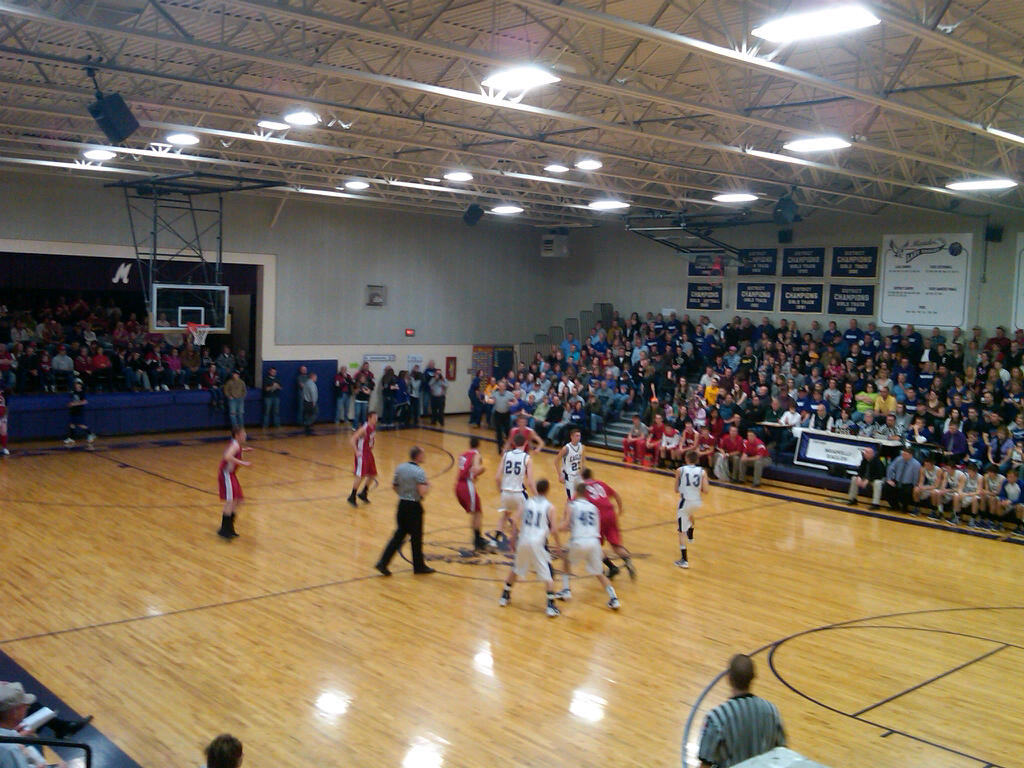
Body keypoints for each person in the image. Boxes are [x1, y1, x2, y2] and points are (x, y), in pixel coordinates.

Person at [697, 654, 786, 768]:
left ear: (728, 678)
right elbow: (783, 753)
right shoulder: (771, 711)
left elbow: (705, 764)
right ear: (753, 677)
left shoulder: (716, 718)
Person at [499, 478, 560, 616]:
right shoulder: (550, 507)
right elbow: (554, 530)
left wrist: (513, 538)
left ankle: (504, 596)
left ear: (537, 489)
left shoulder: (527, 503)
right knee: (548, 575)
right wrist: (558, 545)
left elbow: (513, 520)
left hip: (524, 540)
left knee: (515, 568)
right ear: (547, 490)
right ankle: (550, 606)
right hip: (537, 542)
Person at [557, 483, 620, 610]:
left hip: (579, 540)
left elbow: (566, 525)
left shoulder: (572, 505)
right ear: (586, 494)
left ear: (576, 493)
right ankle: (614, 598)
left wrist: (555, 528)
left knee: (565, 559)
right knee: (599, 573)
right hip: (594, 542)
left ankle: (566, 590)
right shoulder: (594, 508)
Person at [375, 446, 434, 576]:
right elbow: (422, 491)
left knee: (399, 535)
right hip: (414, 506)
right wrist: (428, 486)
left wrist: (403, 494)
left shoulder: (400, 468)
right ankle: (418, 566)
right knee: (416, 538)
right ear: (418, 456)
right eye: (423, 455)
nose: (424, 457)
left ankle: (383, 562)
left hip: (402, 505)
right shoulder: (419, 472)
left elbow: (394, 486)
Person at [579, 467, 636, 582]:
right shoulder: (600, 483)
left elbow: (573, 504)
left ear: (582, 477)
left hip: (597, 517)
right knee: (615, 545)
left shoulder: (582, 488)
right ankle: (628, 562)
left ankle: (612, 567)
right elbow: (616, 495)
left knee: (594, 547)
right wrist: (620, 509)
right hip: (611, 514)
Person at [492, 433, 534, 549]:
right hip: (518, 493)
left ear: (514, 443)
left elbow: (496, 477)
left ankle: (494, 540)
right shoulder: (527, 458)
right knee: (528, 515)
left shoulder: (505, 455)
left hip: (505, 492)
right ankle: (521, 541)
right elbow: (530, 482)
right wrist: (536, 495)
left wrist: (500, 491)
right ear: (525, 444)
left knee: (505, 515)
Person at [217, 426, 251, 539]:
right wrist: (242, 463)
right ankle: (224, 530)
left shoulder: (236, 445)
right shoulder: (235, 445)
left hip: (231, 475)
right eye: (243, 434)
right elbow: (227, 456)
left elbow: (233, 451)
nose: (245, 436)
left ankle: (229, 527)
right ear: (237, 435)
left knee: (239, 500)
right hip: (226, 475)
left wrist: (244, 450)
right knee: (231, 501)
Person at [676, 449, 708, 569]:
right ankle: (691, 530)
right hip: (697, 502)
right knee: (689, 513)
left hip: (685, 502)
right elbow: (706, 490)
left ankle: (684, 560)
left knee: (681, 531)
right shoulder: (703, 472)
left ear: (686, 459)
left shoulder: (680, 470)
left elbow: (676, 489)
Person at [455, 436, 488, 551]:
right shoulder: (477, 454)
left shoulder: (462, 455)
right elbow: (475, 469)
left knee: (476, 512)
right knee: (477, 513)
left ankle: (477, 539)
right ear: (479, 445)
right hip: (467, 485)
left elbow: (465, 470)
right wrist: (483, 469)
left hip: (458, 485)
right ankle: (477, 540)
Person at [348, 411, 378, 506]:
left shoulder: (373, 427)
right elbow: (352, 439)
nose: (376, 420)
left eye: (376, 418)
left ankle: (364, 493)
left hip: (369, 453)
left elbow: (371, 438)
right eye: (374, 418)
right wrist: (356, 452)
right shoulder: (363, 429)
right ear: (369, 418)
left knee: (372, 474)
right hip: (362, 453)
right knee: (360, 475)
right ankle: (352, 496)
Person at [883, 446, 921, 512]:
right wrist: (889, 479)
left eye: (905, 454)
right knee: (887, 487)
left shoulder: (916, 464)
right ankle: (894, 506)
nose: (903, 455)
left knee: (907, 491)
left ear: (911, 455)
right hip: (897, 480)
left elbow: (916, 477)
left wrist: (915, 485)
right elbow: (890, 468)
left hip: (908, 483)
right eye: (903, 454)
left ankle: (904, 507)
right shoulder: (898, 459)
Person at [487, 380, 516, 455]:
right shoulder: (495, 393)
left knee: (508, 432)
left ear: (505, 387)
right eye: (499, 386)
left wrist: (512, 403)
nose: (501, 387)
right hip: (498, 415)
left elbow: (516, 402)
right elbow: (491, 400)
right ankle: (500, 448)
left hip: (506, 414)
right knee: (498, 432)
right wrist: (489, 400)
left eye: (502, 386)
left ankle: (511, 447)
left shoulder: (509, 394)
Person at [554, 427, 585, 499]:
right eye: (576, 436)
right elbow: (556, 461)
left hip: (578, 474)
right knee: (572, 498)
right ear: (571, 437)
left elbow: (583, 460)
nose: (578, 437)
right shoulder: (566, 448)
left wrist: (583, 470)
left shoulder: (582, 446)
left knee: (582, 495)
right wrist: (560, 475)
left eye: (579, 436)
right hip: (569, 476)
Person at [62, 380, 94, 446]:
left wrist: (75, 404)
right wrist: (70, 404)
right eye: (75, 384)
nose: (76, 385)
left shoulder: (82, 393)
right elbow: (71, 399)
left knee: (80, 424)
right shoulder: (74, 392)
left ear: (80, 385)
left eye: (78, 384)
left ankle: (90, 434)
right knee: (72, 424)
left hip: (79, 410)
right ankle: (71, 438)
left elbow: (85, 402)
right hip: (73, 410)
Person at [301, 371, 318, 435]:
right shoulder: (312, 384)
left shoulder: (306, 383)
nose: (316, 379)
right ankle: (307, 424)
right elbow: (313, 392)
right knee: (315, 413)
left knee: (308, 414)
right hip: (310, 402)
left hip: (305, 401)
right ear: (312, 377)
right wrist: (314, 401)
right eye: (315, 377)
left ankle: (307, 427)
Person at [0, 390, 8, 456]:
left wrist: (5, 417)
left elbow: (6, 407)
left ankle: (4, 448)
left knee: (4, 432)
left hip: (2, 417)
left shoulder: (3, 397)